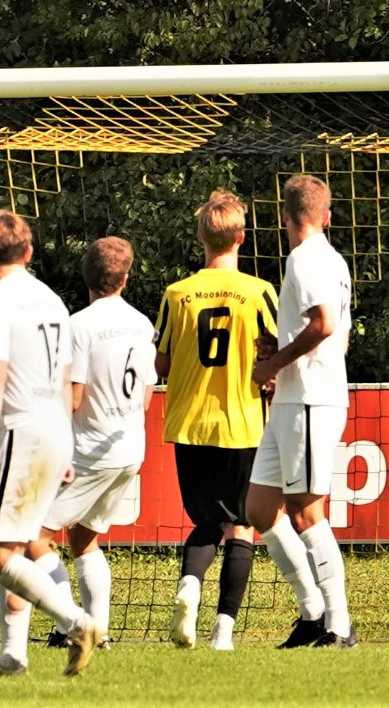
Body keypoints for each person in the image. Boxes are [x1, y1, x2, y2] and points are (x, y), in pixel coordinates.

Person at [0, 210, 101, 677]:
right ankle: (13, 655)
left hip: (20, 429)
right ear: (29, 251)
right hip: (54, 427)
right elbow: (64, 376)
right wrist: (65, 442)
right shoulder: (52, 300)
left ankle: (78, 622)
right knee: (16, 545)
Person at [152, 190, 279, 650]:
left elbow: (161, 364)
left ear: (200, 237)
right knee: (241, 525)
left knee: (206, 520)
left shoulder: (176, 294)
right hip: (242, 423)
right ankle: (223, 630)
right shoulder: (259, 292)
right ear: (241, 237)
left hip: (190, 423)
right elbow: (276, 352)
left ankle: (190, 585)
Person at [23, 237, 157, 653]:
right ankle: (100, 628)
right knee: (84, 538)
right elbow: (147, 397)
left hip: (90, 450)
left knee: (31, 535)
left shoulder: (78, 326)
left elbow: (73, 398)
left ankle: (74, 625)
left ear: (85, 277)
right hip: (130, 448)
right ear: (126, 277)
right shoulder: (142, 323)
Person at [248, 174, 357, 649]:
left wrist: (273, 363)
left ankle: (340, 625)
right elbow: (324, 331)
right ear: (327, 216)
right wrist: (280, 344)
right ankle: (312, 611)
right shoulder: (330, 258)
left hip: (310, 397)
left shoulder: (306, 257)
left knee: (307, 513)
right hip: (295, 398)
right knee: (258, 508)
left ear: (285, 217)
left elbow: (325, 325)